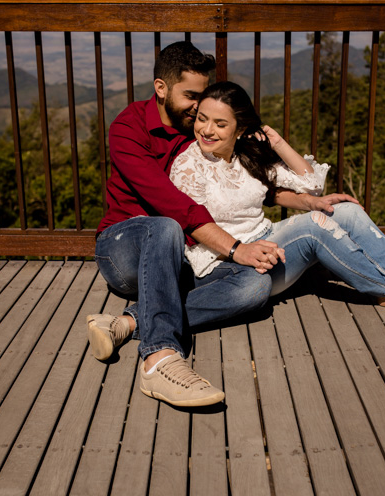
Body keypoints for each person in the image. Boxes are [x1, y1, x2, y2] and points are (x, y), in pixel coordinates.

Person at [169, 81, 385, 323]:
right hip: (227, 263)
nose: (206, 130)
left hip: (266, 239)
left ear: (240, 129)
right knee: (315, 228)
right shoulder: (188, 167)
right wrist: (243, 249)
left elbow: (311, 182)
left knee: (345, 211)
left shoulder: (246, 155)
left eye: (220, 124)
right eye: (202, 119)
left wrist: (277, 142)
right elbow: (194, 229)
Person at [86, 42, 288, 408]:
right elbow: (173, 205)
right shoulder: (127, 128)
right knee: (164, 225)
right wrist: (235, 249)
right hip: (124, 249)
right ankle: (159, 358)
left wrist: (251, 144)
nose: (199, 107)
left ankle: (126, 323)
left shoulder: (197, 129)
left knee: (256, 285)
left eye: (202, 96)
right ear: (161, 88)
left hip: (179, 257)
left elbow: (239, 179)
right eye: (191, 96)